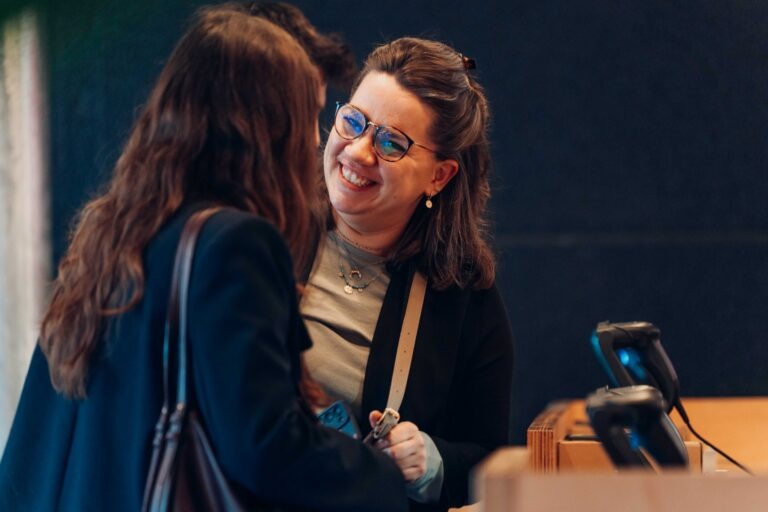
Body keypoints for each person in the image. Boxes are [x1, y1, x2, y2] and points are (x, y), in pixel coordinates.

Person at [0, 5, 408, 511]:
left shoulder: (111, 232)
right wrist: (384, 476)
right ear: (264, 126)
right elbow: (267, 449)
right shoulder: (236, 245)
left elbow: (35, 446)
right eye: (308, 115)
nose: (313, 140)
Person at [300, 37, 515, 512]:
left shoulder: (463, 296)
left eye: (391, 143)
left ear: (439, 176)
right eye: (353, 121)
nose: (358, 152)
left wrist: (431, 462)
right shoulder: (266, 230)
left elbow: (491, 463)